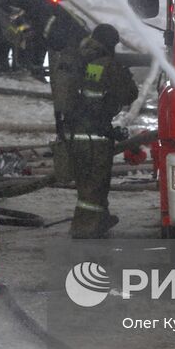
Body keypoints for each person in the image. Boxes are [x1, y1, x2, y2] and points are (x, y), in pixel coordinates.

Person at [56, 24, 139, 238]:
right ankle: (84, 227)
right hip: (95, 136)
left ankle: (100, 219)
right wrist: (125, 75)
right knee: (94, 185)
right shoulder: (106, 65)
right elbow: (129, 94)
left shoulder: (82, 59)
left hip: (75, 133)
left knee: (87, 183)